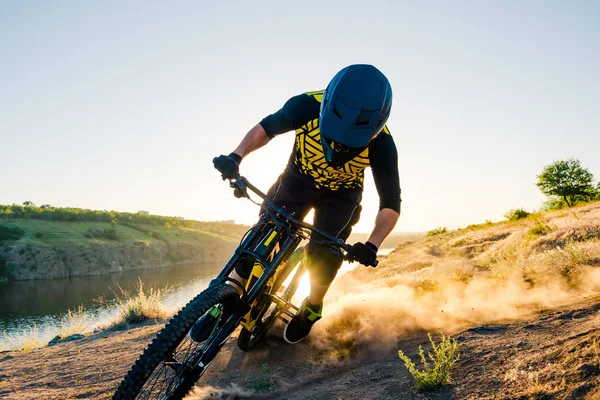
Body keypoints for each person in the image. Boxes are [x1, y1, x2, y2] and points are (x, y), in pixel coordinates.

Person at [207, 64, 401, 344]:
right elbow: (266, 128)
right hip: (298, 179)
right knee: (258, 240)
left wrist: (372, 244)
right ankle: (225, 296)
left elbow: (391, 202)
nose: (339, 149)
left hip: (341, 195)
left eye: (350, 144)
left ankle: (312, 306)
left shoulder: (383, 145)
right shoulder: (307, 105)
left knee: (324, 255)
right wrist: (236, 156)